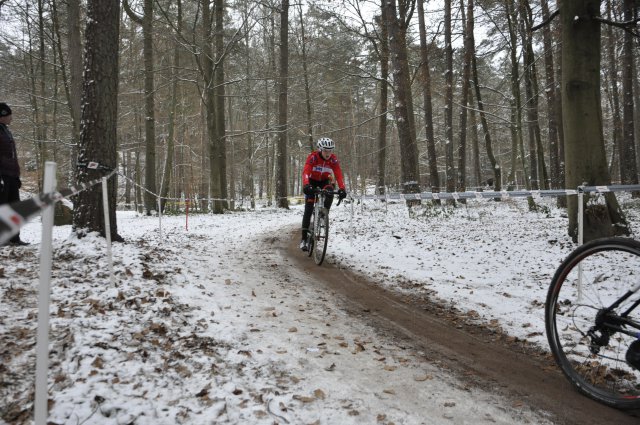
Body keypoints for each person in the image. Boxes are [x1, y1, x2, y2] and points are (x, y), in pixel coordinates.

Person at [300, 137, 347, 251]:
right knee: (308, 208)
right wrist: (306, 184)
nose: (328, 153)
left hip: (324, 181)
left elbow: (338, 174)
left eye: (330, 150)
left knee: (330, 191)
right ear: (320, 149)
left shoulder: (333, 160)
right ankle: (304, 239)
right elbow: (306, 171)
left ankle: (323, 214)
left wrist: (342, 188)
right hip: (312, 182)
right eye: (326, 150)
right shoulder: (313, 157)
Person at [0, 102, 28, 246]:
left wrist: (16, 176)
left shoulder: (6, 130)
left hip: (11, 176)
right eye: (9, 115)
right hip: (2, 176)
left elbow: (13, 156)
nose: (11, 118)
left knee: (14, 207)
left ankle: (14, 238)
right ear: (2, 116)